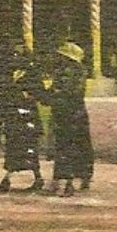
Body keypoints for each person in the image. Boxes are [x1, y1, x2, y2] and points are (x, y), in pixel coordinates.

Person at [0, 44, 45, 192]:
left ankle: (30, 179)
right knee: (14, 148)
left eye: (18, 55)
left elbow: (39, 93)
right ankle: (19, 179)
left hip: (28, 116)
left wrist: (27, 95)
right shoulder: (9, 74)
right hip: (14, 116)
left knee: (29, 149)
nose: (15, 58)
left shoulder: (32, 74)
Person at [43, 41, 94, 196]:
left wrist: (46, 97)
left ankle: (67, 182)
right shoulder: (78, 70)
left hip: (68, 112)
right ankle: (82, 177)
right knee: (80, 145)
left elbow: (65, 92)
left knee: (66, 146)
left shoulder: (68, 71)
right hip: (76, 112)